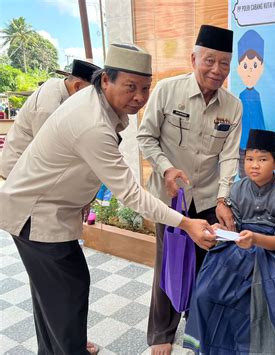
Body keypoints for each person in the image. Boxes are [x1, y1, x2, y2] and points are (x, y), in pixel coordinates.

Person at [0, 43, 215, 355]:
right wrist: (185, 223)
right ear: (105, 80)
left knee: (55, 297)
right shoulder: (92, 123)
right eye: (130, 87)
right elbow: (129, 192)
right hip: (35, 216)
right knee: (68, 294)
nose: (140, 97)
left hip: (43, 209)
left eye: (145, 88)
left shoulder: (98, 105)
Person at [137, 24, 243, 354]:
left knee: (204, 265)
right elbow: (145, 137)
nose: (216, 70)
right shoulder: (168, 91)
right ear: (193, 58)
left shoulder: (233, 105)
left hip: (210, 197)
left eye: (224, 63)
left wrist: (224, 198)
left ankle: (197, 325)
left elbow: (229, 156)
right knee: (170, 261)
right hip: (171, 196)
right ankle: (162, 334)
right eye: (209, 60)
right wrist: (166, 168)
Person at [183, 129, 275, 354]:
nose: (254, 165)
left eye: (262, 159)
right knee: (205, 293)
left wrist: (256, 240)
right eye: (249, 159)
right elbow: (235, 227)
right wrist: (220, 230)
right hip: (240, 247)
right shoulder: (238, 188)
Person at [0, 59, 100, 179]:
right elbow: (46, 152)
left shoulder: (60, 86)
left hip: (30, 167)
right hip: (18, 169)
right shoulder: (47, 107)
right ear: (77, 86)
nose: (92, 99)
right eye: (91, 93)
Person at [237, 30, 266, 177]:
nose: (249, 71)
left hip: (258, 146)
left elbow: (260, 121)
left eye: (254, 65)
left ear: (261, 67)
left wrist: (264, 141)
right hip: (243, 146)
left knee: (258, 178)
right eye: (245, 66)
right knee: (244, 178)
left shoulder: (257, 96)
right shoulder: (240, 97)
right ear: (239, 68)